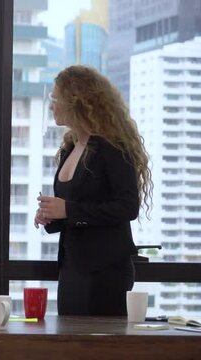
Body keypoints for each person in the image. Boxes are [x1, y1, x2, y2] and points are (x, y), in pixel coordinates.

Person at [34, 65, 153, 316]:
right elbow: (73, 212)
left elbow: (127, 206)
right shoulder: (70, 147)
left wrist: (67, 209)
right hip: (72, 266)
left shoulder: (112, 147)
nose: (51, 105)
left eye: (55, 98)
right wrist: (51, 216)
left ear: (77, 102)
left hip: (105, 270)